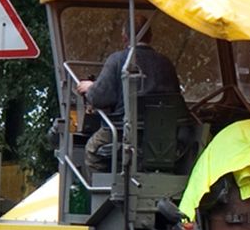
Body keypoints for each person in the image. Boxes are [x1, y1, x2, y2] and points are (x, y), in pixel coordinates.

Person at [77, 22, 180, 169]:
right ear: (150, 37)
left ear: (125, 37)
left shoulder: (118, 60)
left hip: (122, 130)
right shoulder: (166, 63)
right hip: (162, 135)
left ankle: (102, 190)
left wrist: (90, 87)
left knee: (92, 151)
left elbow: (99, 97)